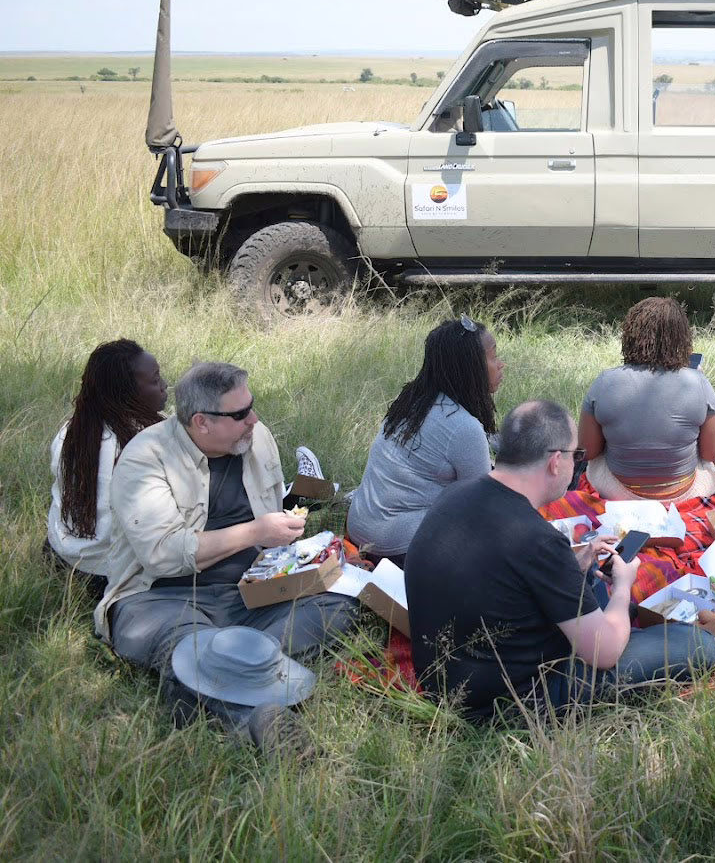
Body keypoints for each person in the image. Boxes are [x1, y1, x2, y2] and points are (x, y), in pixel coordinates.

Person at [94, 362, 358, 742]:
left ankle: (223, 674)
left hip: (251, 590)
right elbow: (163, 555)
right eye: (240, 414)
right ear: (201, 422)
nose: (254, 419)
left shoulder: (255, 437)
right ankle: (254, 719)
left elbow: (270, 510)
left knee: (339, 602)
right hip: (163, 599)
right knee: (185, 644)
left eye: (251, 405)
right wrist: (255, 532)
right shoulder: (145, 458)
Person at [407, 399, 715, 720]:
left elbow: (498, 575)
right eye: (575, 455)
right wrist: (623, 585)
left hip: (443, 683)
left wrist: (575, 564)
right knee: (697, 645)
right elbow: (605, 654)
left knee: (588, 574)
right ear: (556, 462)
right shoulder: (536, 539)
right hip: (509, 703)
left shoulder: (453, 496)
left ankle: (610, 616)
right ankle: (620, 619)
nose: (575, 464)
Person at [347, 316, 503, 564]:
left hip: (359, 526)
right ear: (470, 367)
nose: (501, 364)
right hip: (395, 546)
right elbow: (481, 506)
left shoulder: (414, 401)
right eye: (493, 357)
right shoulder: (464, 427)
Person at [48, 339, 168, 596]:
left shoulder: (69, 432)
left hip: (63, 556)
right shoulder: (148, 444)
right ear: (126, 392)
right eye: (155, 379)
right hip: (112, 574)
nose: (164, 385)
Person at [580, 297, 715, 501]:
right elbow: (711, 453)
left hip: (617, 491)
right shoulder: (697, 381)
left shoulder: (605, 382)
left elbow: (589, 451)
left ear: (630, 336)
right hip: (685, 494)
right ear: (681, 339)